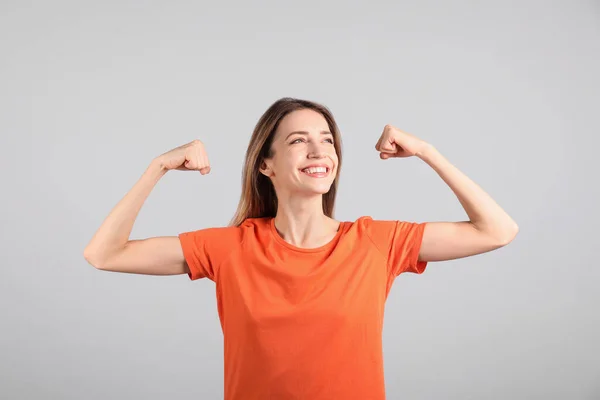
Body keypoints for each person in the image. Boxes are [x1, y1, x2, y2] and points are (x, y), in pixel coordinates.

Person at [83, 97, 518, 399]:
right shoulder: (230, 247)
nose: (319, 150)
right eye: (298, 140)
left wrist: (427, 151)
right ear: (265, 164)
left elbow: (497, 230)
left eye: (327, 139)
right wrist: (157, 167)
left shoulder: (376, 242)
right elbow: (105, 254)